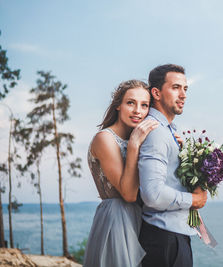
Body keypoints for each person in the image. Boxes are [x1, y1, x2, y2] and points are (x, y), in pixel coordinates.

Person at [84, 80, 159, 267]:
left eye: (144, 105)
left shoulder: (142, 139)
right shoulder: (104, 139)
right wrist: (133, 145)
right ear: (118, 104)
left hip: (141, 219)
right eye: (130, 103)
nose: (137, 111)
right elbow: (129, 194)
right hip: (117, 220)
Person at [138, 64, 208, 267]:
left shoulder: (169, 131)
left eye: (185, 89)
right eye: (176, 87)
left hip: (171, 237)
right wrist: (193, 199)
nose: (183, 95)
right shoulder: (156, 132)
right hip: (164, 241)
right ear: (156, 93)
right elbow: (152, 194)